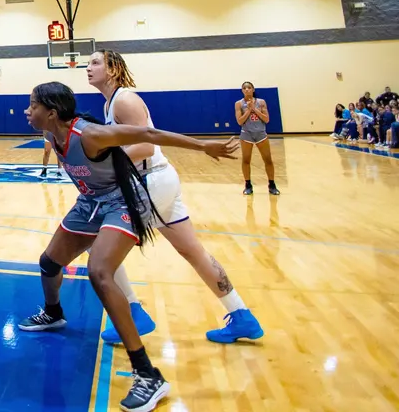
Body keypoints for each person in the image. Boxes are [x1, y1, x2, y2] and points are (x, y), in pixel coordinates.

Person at [17, 82, 238, 412]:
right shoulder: (52, 136)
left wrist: (202, 144)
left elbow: (148, 134)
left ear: (51, 113)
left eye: (32, 105)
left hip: (122, 200)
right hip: (90, 202)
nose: (26, 111)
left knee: (100, 272)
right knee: (49, 263)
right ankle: (54, 313)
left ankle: (148, 375)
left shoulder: (89, 134)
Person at [90, 50, 265, 345]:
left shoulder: (124, 100)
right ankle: (242, 316)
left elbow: (145, 147)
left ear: (113, 69)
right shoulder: (111, 102)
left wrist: (103, 166)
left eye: (95, 62)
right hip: (158, 181)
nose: (88, 68)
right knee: (192, 250)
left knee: (100, 250)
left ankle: (133, 312)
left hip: (150, 181)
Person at [235, 82, 279, 195]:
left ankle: (272, 184)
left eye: (249, 87)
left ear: (253, 89)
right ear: (242, 91)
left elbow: (266, 119)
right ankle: (248, 185)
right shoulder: (239, 104)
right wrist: (249, 110)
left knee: (268, 159)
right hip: (246, 134)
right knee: (246, 160)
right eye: (244, 88)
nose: (247, 90)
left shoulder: (261, 102)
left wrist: (254, 109)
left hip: (260, 133)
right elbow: (240, 121)